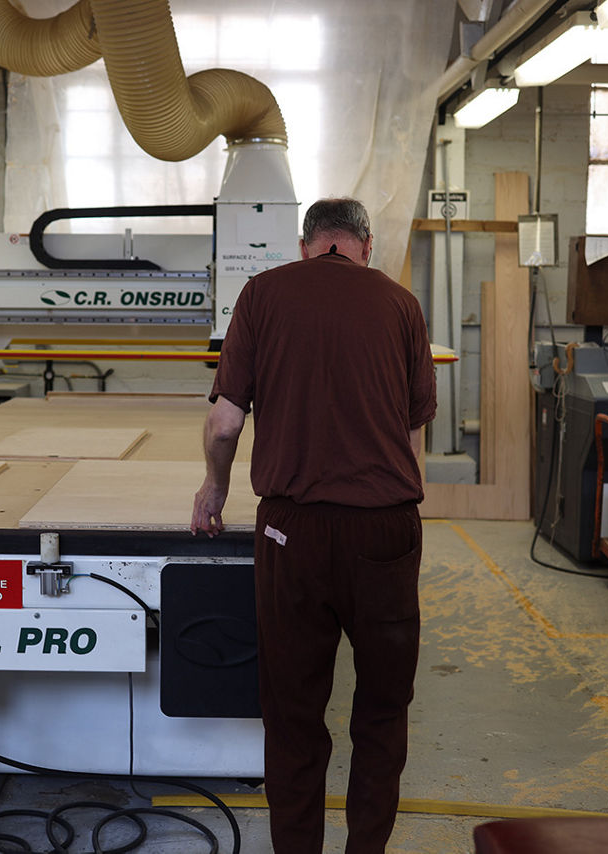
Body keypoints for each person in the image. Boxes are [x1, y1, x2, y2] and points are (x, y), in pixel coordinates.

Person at [190, 197, 437, 853]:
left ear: (306, 245)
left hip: (290, 532)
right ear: (366, 244)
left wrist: (214, 490)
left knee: (294, 713)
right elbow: (415, 437)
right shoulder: (402, 306)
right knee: (383, 710)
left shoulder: (263, 295)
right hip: (384, 530)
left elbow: (224, 422)